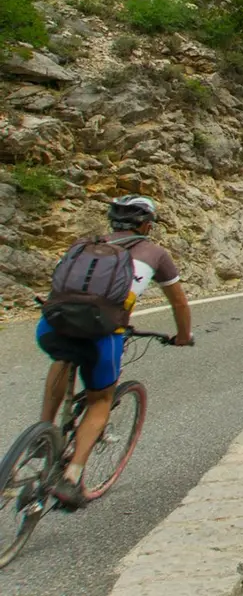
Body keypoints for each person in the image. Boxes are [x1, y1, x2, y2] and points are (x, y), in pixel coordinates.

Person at [36, 195, 193, 511]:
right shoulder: (155, 253)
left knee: (62, 358)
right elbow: (178, 302)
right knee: (100, 401)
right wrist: (183, 336)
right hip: (102, 332)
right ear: (146, 225)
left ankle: (44, 432)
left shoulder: (83, 245)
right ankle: (71, 478)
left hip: (52, 324)